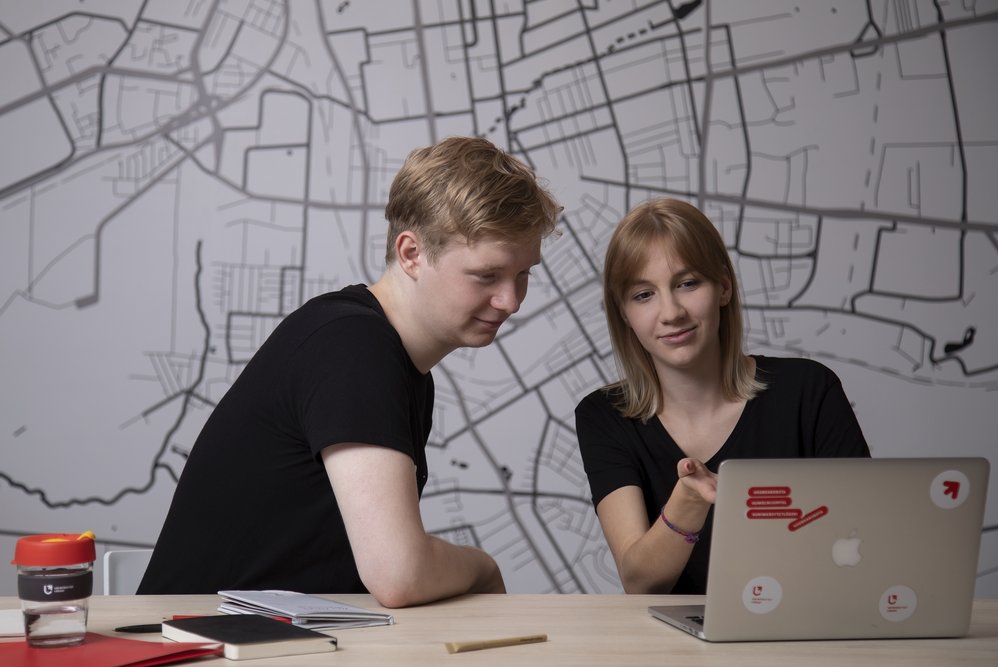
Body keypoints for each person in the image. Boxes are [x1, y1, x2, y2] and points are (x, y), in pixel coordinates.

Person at [138, 136, 561, 607]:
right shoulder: (354, 348)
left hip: (261, 640)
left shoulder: (394, 361)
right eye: (488, 275)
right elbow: (398, 573)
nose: (512, 300)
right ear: (411, 254)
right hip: (194, 649)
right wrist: (483, 567)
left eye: (524, 273)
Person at [574, 198, 869, 595]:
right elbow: (640, 581)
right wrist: (689, 503)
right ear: (624, 314)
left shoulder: (810, 390)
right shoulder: (603, 416)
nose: (671, 312)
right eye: (644, 295)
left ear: (724, 287)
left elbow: (863, 539)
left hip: (805, 633)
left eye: (687, 283)